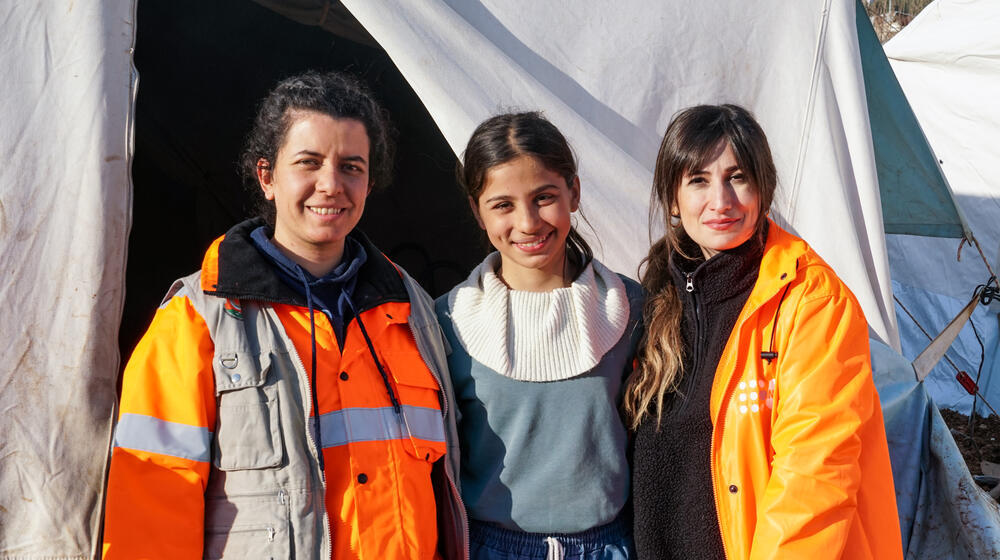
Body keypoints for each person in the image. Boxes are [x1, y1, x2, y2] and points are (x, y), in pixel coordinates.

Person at [103, 71, 465, 559]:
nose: (330, 185)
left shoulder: (412, 308)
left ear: (370, 183)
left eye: (351, 167)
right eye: (308, 163)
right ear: (267, 177)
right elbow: (152, 496)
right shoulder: (197, 317)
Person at [625, 104, 902, 559]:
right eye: (698, 180)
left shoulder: (811, 302)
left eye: (738, 178)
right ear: (673, 199)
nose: (721, 200)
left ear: (763, 188)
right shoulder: (654, 298)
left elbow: (815, 476)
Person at [435, 112, 643, 560]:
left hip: (609, 547)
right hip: (491, 548)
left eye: (544, 197)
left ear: (574, 192)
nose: (528, 222)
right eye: (503, 205)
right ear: (477, 210)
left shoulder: (630, 307)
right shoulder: (447, 321)